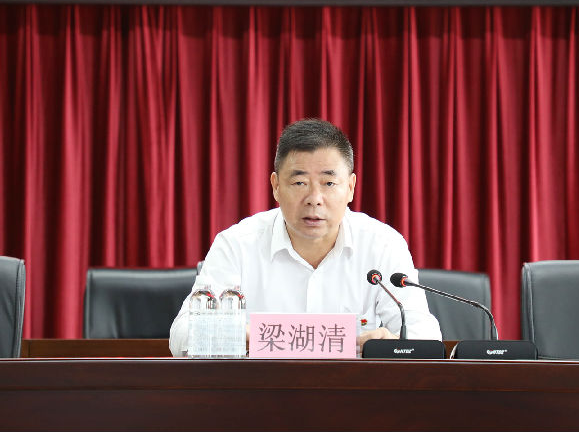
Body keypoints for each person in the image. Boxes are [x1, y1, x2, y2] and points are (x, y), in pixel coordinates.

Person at [168, 118, 440, 356]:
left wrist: (392, 342)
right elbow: (181, 337)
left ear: (350, 187)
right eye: (299, 183)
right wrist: (242, 335)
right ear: (276, 186)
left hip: (353, 392)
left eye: (329, 183)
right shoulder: (237, 244)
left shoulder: (382, 244)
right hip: (259, 392)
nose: (314, 199)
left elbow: (426, 336)